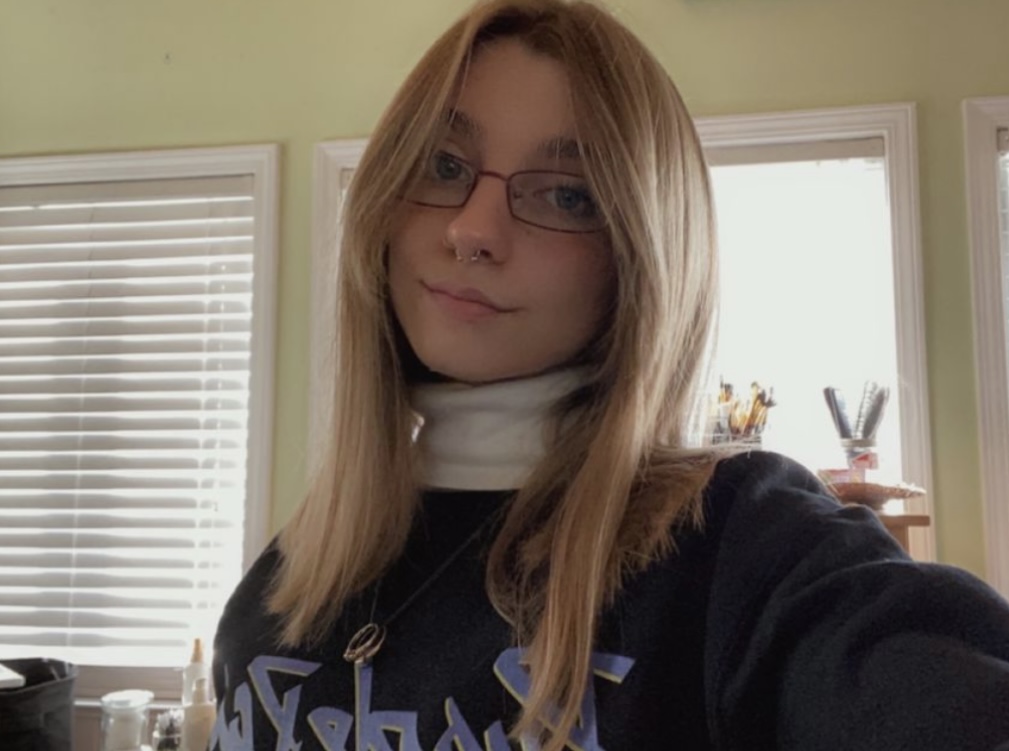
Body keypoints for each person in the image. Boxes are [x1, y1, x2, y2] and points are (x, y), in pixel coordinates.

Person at [211, 1, 1009, 749]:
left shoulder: (741, 545)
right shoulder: (296, 566)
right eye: (443, 163)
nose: (472, 229)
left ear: (635, 259)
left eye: (565, 195)